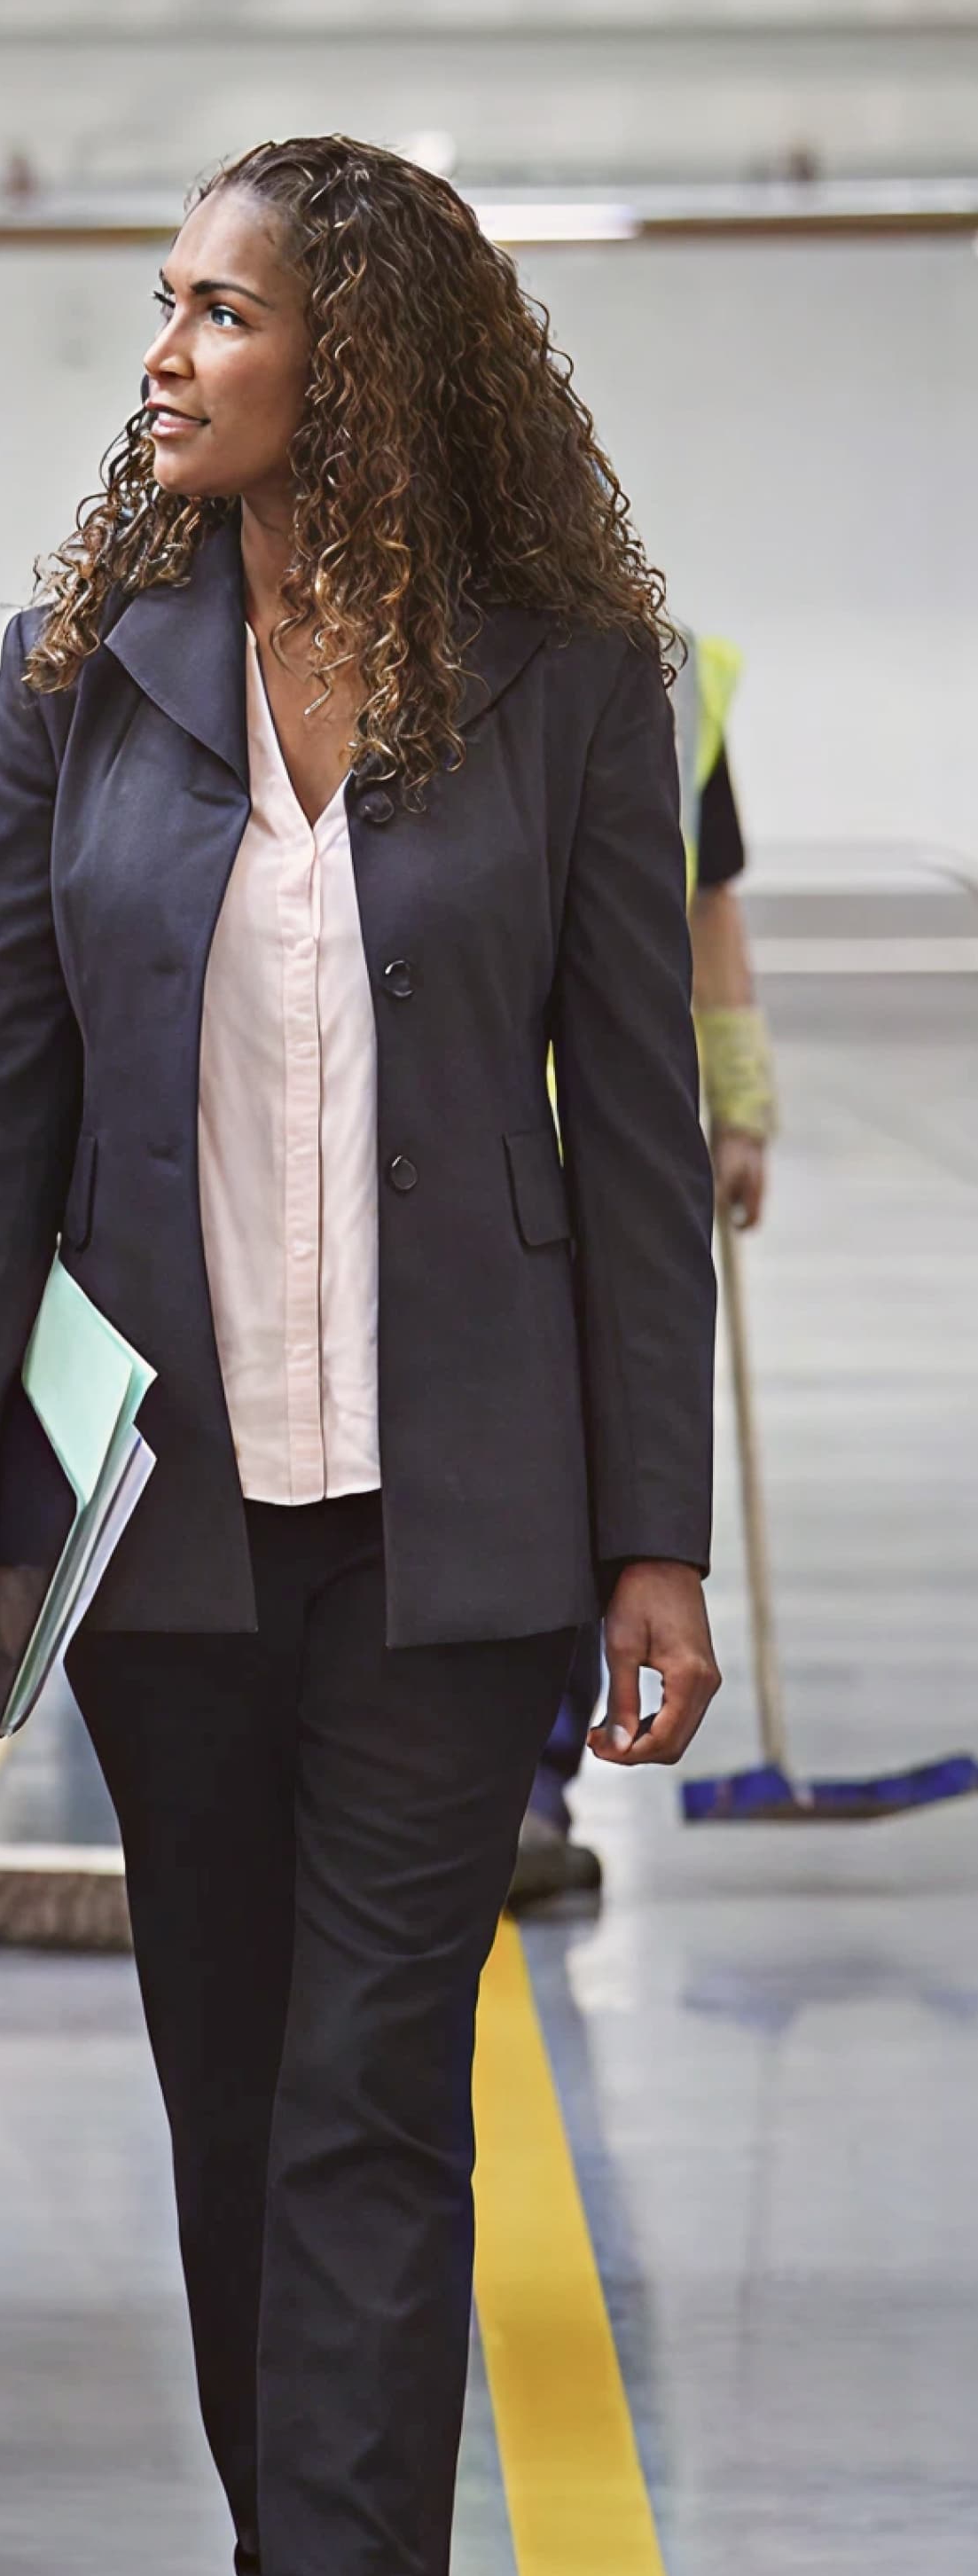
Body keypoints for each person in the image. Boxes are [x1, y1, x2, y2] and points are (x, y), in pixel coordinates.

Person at [0, 137, 719, 2576]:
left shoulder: (581, 683)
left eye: (215, 310)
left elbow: (621, 1135)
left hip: (458, 1522)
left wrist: (656, 1538)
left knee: (373, 2089)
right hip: (169, 1527)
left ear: (348, 359)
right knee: (231, 2093)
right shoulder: (79, 681)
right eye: (163, 306)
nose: (165, 351)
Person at [514, 664, 772, 1905]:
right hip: (486, 1140)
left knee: (589, 1473)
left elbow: (707, 910)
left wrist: (741, 1108)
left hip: (614, 1141)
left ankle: (534, 1785)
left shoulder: (672, 675)